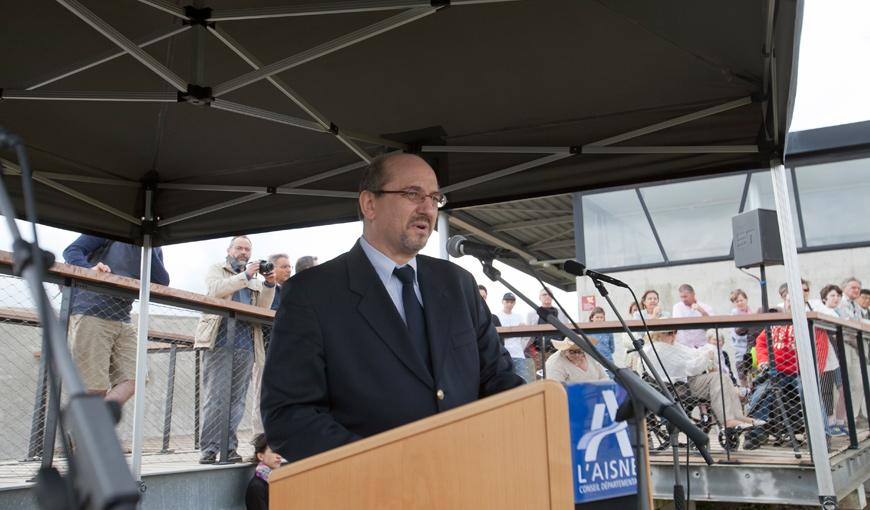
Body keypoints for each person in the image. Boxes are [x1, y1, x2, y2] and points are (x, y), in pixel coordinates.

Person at [260, 153, 524, 463]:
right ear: (369, 204)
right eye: (412, 193)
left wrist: (548, 409)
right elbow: (289, 415)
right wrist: (384, 463)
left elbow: (498, 379)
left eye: (434, 197)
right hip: (373, 491)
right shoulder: (312, 294)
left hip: (467, 474)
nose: (427, 207)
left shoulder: (458, 284)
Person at [195, 236, 276, 464]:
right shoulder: (217, 269)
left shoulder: (253, 279)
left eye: (247, 249)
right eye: (239, 248)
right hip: (219, 340)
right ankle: (209, 449)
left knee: (237, 400)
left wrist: (269, 284)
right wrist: (246, 275)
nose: (243, 252)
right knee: (216, 398)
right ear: (229, 250)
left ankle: (228, 447)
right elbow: (215, 290)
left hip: (246, 344)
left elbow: (262, 308)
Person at [62, 235, 170, 404]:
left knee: (136, 379)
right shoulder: (111, 228)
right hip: (92, 310)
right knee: (94, 387)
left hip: (122, 316)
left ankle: (94, 423)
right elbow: (71, 251)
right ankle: (86, 428)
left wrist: (148, 246)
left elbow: (162, 281)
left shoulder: (153, 247)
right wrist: (89, 269)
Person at [645, 330, 759, 429]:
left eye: (675, 332)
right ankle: (728, 419)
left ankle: (738, 417)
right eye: (670, 333)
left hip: (687, 382)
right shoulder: (659, 349)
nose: (674, 335)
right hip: (678, 387)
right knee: (717, 378)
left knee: (723, 377)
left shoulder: (673, 346)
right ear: (659, 335)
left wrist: (705, 355)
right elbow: (688, 367)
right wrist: (705, 357)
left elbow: (691, 355)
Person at [252, 253, 293, 436]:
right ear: (273, 268)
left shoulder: (292, 290)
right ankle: (260, 442)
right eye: (284, 266)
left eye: (290, 266)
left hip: (287, 353)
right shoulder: (265, 288)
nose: (289, 270)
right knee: (261, 396)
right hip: (266, 351)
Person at [837, 277, 865, 420]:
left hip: (855, 345)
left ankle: (852, 417)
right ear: (844, 289)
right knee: (847, 383)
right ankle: (844, 419)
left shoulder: (856, 305)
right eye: (853, 287)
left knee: (859, 383)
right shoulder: (840, 302)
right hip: (844, 343)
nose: (856, 290)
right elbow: (850, 322)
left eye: (858, 288)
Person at [525, 287, 570, 371]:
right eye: (544, 294)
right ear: (540, 297)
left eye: (549, 294)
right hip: (538, 353)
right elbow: (528, 335)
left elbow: (567, 332)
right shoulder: (532, 314)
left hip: (557, 352)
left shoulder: (561, 312)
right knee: (539, 378)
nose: (547, 296)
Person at [495, 292, 529, 380]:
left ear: (514, 303)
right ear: (502, 302)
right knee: (505, 383)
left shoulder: (519, 316)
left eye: (512, 302)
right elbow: (496, 336)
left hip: (518, 354)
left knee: (523, 382)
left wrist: (521, 348)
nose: (509, 304)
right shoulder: (496, 316)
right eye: (507, 301)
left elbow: (526, 336)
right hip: (503, 355)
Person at [246, 433, 283, 510]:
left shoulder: (278, 480)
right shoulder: (257, 487)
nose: (279, 456)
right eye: (273, 451)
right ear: (260, 456)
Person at [672, 284, 713, 348]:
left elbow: (711, 325)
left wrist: (701, 310)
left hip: (702, 345)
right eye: (681, 297)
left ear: (693, 294)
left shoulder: (705, 307)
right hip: (684, 346)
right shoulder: (677, 307)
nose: (683, 299)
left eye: (685, 296)